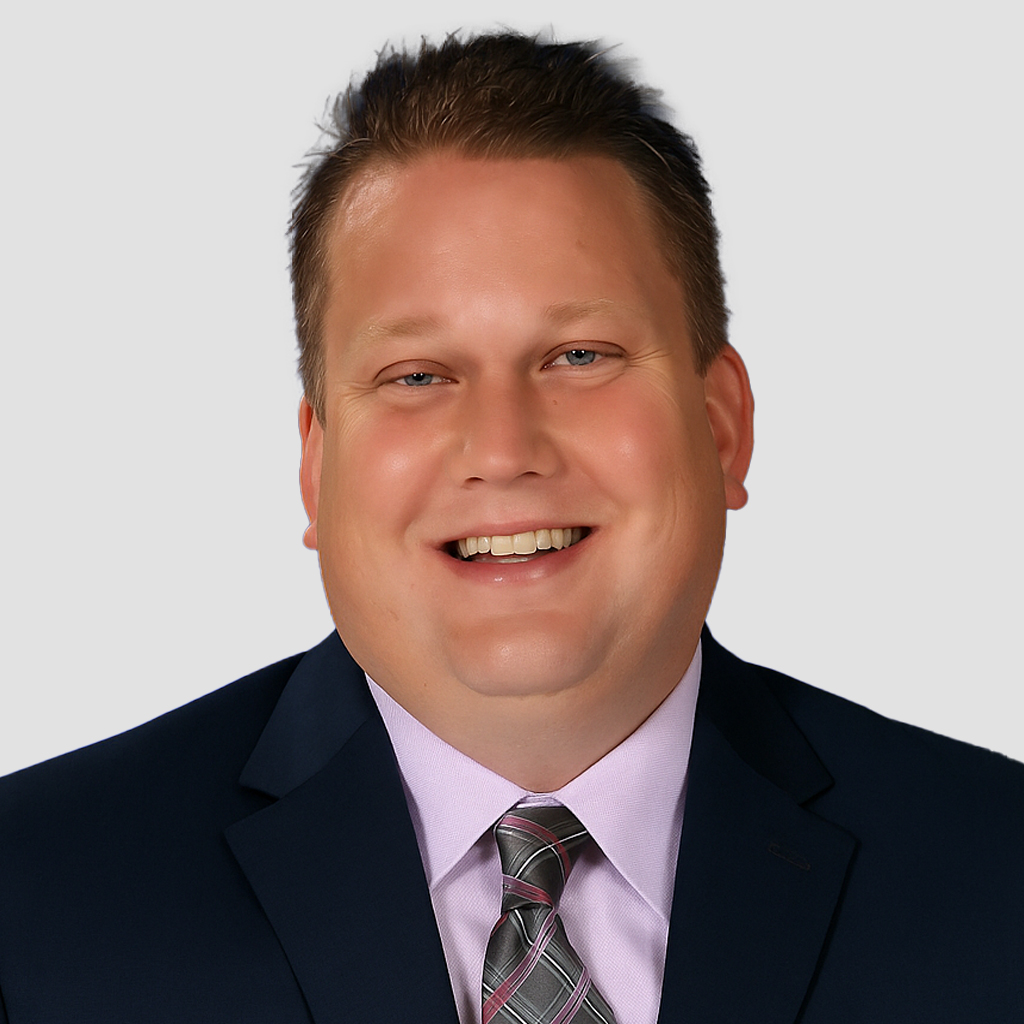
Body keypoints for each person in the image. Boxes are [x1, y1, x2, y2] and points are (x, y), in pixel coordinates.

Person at [0, 31, 1020, 1024]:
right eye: (417, 375)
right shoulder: (32, 901)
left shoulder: (997, 876)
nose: (502, 447)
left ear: (722, 427)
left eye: (579, 356)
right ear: (316, 467)